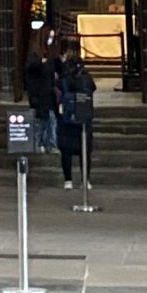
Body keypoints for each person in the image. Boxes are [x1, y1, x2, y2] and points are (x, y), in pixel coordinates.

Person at [55, 41, 96, 189]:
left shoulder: (64, 79)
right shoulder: (87, 79)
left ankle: (68, 180)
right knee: (85, 151)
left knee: (66, 151)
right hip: (84, 117)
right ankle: (85, 180)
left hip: (67, 119)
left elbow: (58, 94)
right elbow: (93, 89)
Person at [23, 36, 59, 150]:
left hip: (45, 97)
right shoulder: (35, 64)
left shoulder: (44, 64)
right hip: (40, 97)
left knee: (49, 122)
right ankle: (41, 144)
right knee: (42, 123)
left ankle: (48, 143)